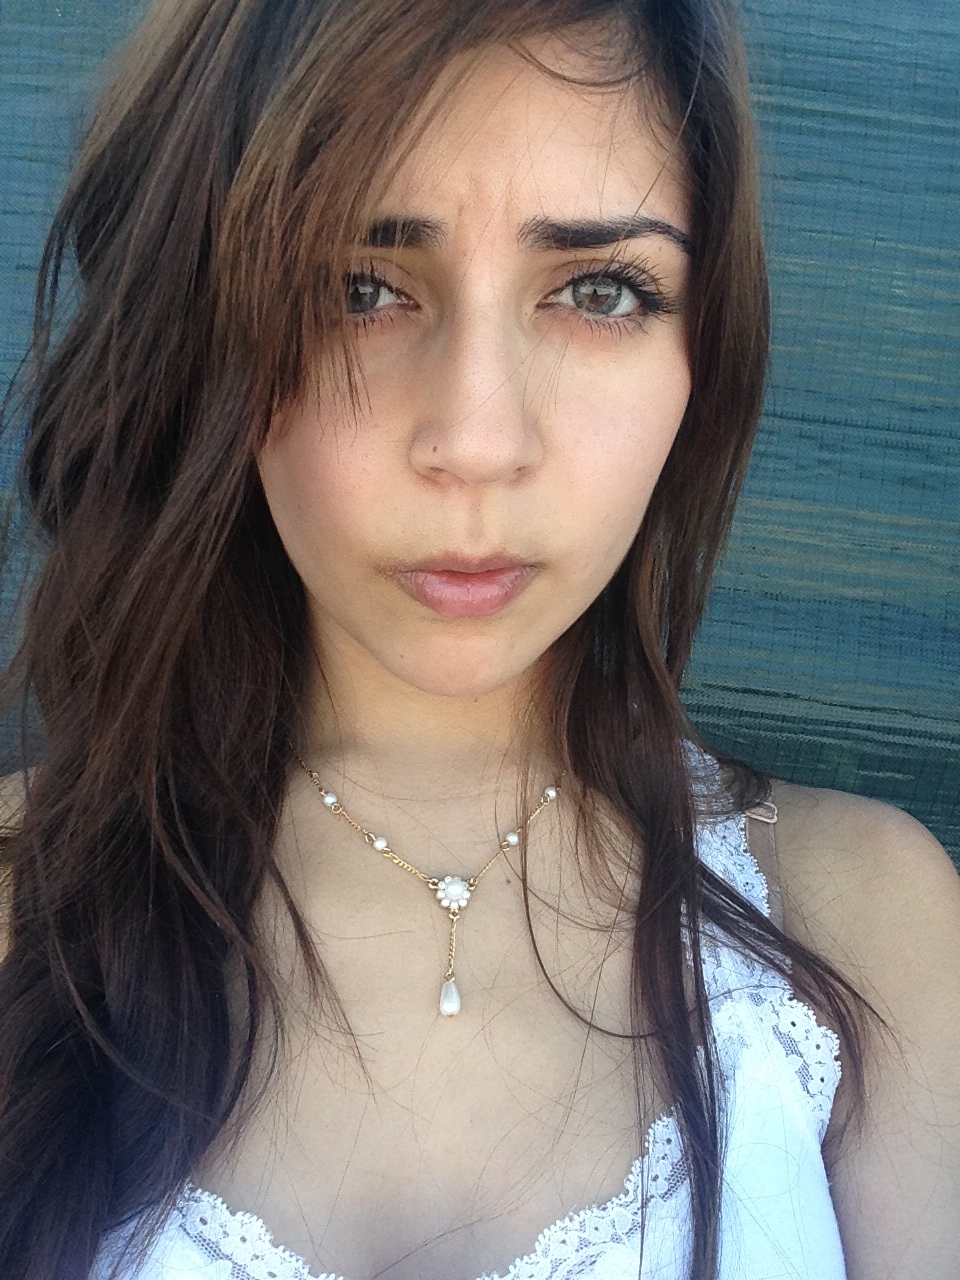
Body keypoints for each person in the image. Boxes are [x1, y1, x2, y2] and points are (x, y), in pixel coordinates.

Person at [0, 0, 958, 1277]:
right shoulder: (19, 905)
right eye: (359, 288)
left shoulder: (866, 925)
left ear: (704, 354)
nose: (477, 439)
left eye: (600, 291)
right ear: (202, 326)